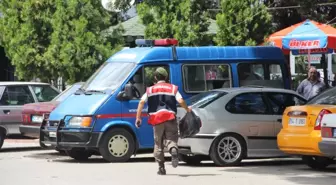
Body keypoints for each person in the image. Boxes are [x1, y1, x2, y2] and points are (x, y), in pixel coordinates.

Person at [135, 67, 191, 175]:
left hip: (156, 119)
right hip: (170, 117)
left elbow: (141, 102)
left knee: (158, 143)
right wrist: (187, 109)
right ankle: (173, 149)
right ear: (166, 77)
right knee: (171, 139)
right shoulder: (173, 88)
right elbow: (180, 100)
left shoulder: (150, 89)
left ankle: (161, 168)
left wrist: (138, 118)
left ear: (155, 77)